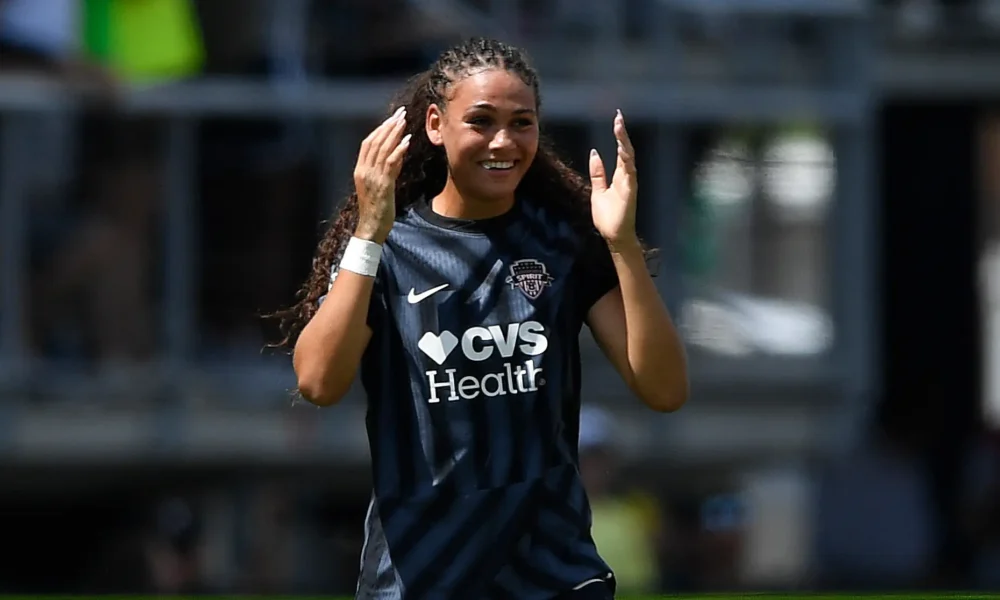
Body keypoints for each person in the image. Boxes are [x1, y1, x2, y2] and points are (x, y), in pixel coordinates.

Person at [278, 37, 689, 600]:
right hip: (420, 577)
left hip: (553, 575)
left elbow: (664, 388)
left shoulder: (563, 243)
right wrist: (369, 230)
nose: (504, 141)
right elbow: (318, 382)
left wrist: (621, 245)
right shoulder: (390, 250)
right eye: (481, 120)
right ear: (434, 124)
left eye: (522, 122)